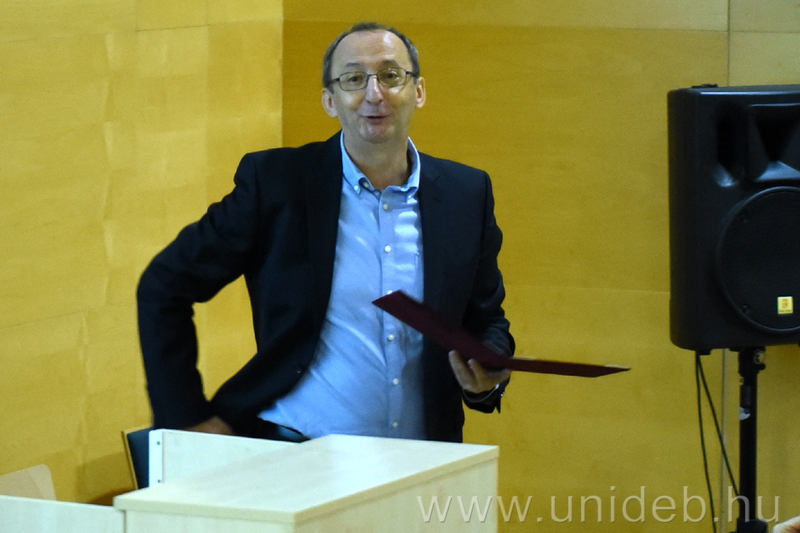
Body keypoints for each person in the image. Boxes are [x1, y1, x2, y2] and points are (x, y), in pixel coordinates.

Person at [136, 22, 514, 443]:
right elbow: (164, 284)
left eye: (390, 75)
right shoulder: (276, 184)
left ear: (419, 91)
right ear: (330, 101)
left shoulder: (466, 194)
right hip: (298, 455)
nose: (374, 94)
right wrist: (185, 418)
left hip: (420, 460)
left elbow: (486, 320)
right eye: (353, 79)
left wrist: (486, 376)